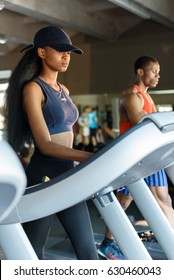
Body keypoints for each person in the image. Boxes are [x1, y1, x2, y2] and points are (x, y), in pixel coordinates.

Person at [4, 26, 99, 260]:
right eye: (60, 51)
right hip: (43, 175)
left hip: (68, 172)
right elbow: (45, 144)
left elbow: (68, 131)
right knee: (32, 252)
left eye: (69, 52)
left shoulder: (64, 89)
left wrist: (80, 160)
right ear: (42, 53)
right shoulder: (33, 89)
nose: (67, 56)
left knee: (87, 249)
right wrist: (90, 157)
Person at [98, 55, 174, 260]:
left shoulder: (148, 96)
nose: (158, 75)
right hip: (134, 157)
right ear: (140, 72)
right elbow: (142, 122)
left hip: (149, 154)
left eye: (159, 71)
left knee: (162, 199)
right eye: (153, 71)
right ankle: (108, 243)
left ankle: (109, 242)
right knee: (124, 201)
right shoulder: (132, 94)